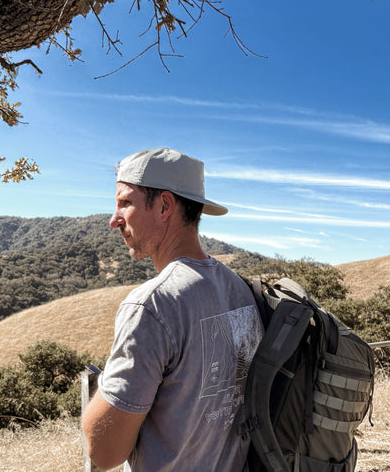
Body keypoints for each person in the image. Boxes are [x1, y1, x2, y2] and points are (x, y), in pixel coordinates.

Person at [82, 147, 264, 471]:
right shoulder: (241, 289)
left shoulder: (152, 307)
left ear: (165, 205)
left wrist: (105, 386)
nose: (114, 220)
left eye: (125, 203)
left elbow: (104, 451)